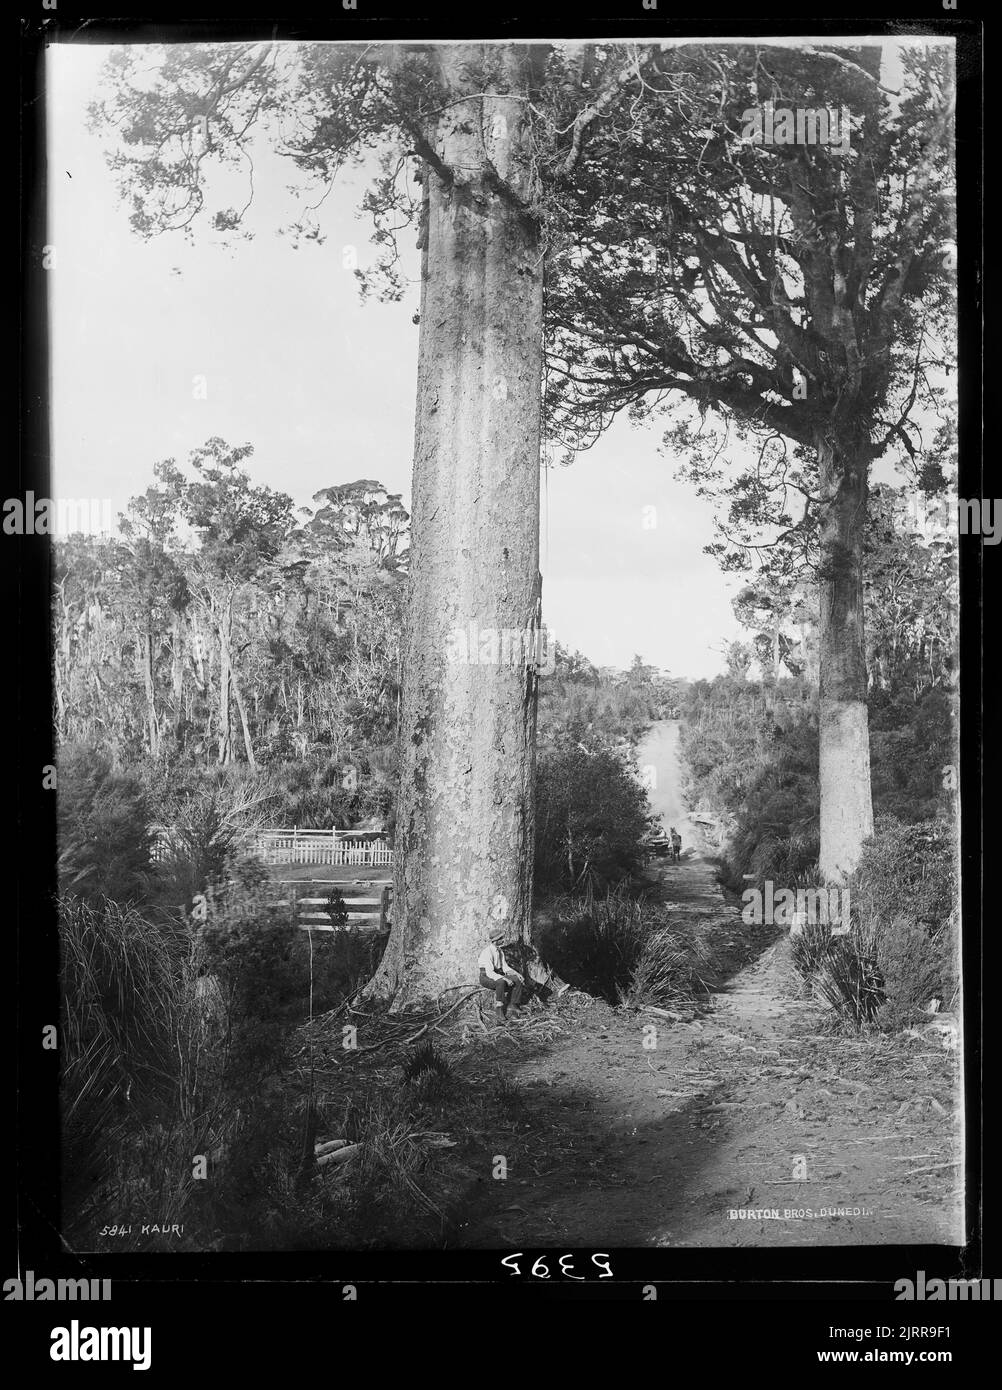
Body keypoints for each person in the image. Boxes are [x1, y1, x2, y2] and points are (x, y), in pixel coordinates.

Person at [477, 924, 524, 1023]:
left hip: (496, 973)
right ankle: (499, 1009)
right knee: (501, 982)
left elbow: (505, 967)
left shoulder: (499, 951)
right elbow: (489, 972)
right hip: (485, 977)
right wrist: (505, 978)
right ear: (495, 940)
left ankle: (513, 1004)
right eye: (501, 938)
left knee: (517, 979)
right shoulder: (487, 952)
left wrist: (516, 973)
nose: (503, 940)